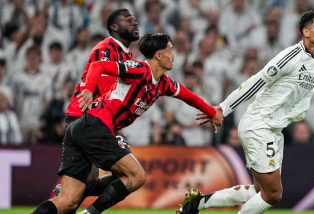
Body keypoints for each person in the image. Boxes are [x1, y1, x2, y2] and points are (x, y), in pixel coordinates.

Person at [178, 10, 314, 214]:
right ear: (305, 32)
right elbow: (256, 81)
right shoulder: (289, 57)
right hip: (259, 125)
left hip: (274, 130)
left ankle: (196, 203)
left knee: (260, 190)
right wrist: (223, 108)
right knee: (273, 195)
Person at [32, 33, 223, 214]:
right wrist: (89, 90)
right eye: (170, 50)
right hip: (95, 125)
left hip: (84, 129)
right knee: (136, 176)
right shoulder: (138, 69)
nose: (174, 54)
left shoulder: (164, 83)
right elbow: (97, 66)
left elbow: (188, 96)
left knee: (68, 201)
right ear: (159, 55)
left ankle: (81, 193)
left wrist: (212, 112)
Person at [52, 7, 139, 206]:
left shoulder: (126, 55)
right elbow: (105, 87)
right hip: (88, 117)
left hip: (89, 118)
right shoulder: (106, 48)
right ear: (115, 27)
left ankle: (66, 192)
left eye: (134, 19)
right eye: (128, 19)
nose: (134, 22)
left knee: (86, 184)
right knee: (132, 174)